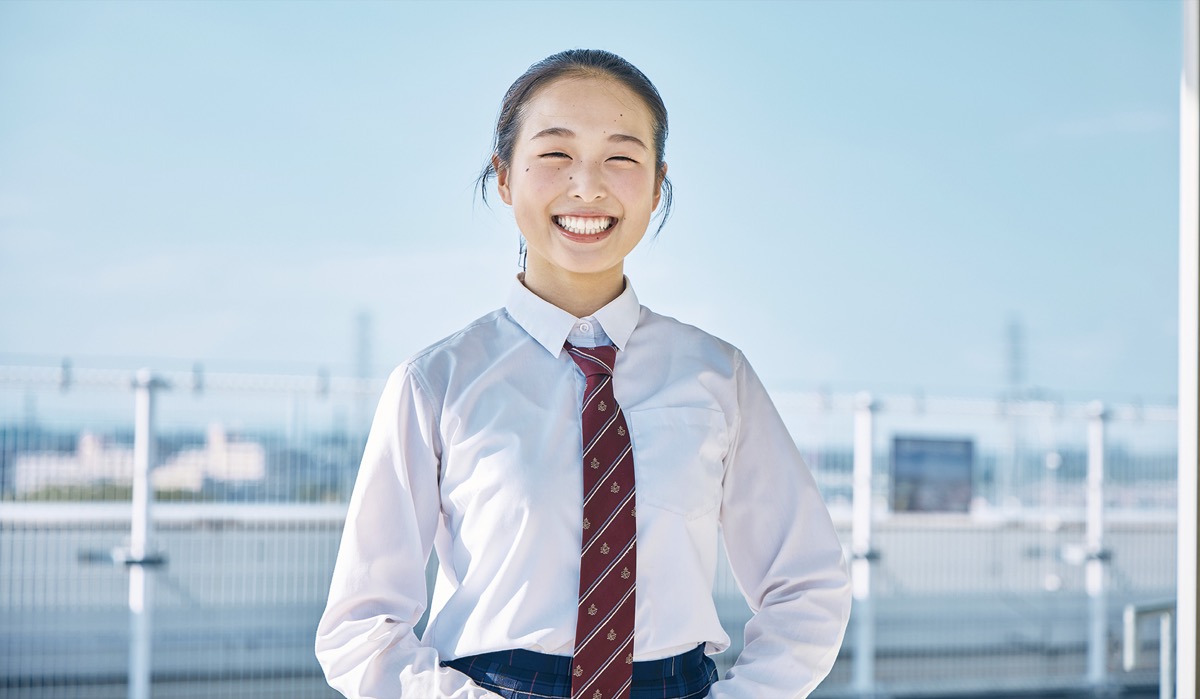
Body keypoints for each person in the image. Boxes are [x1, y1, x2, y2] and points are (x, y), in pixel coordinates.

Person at [316, 49, 851, 699]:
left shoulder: (718, 375)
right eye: (555, 153)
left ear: (657, 186)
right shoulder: (437, 381)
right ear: (505, 176)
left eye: (621, 157)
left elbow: (808, 582)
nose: (588, 186)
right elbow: (360, 624)